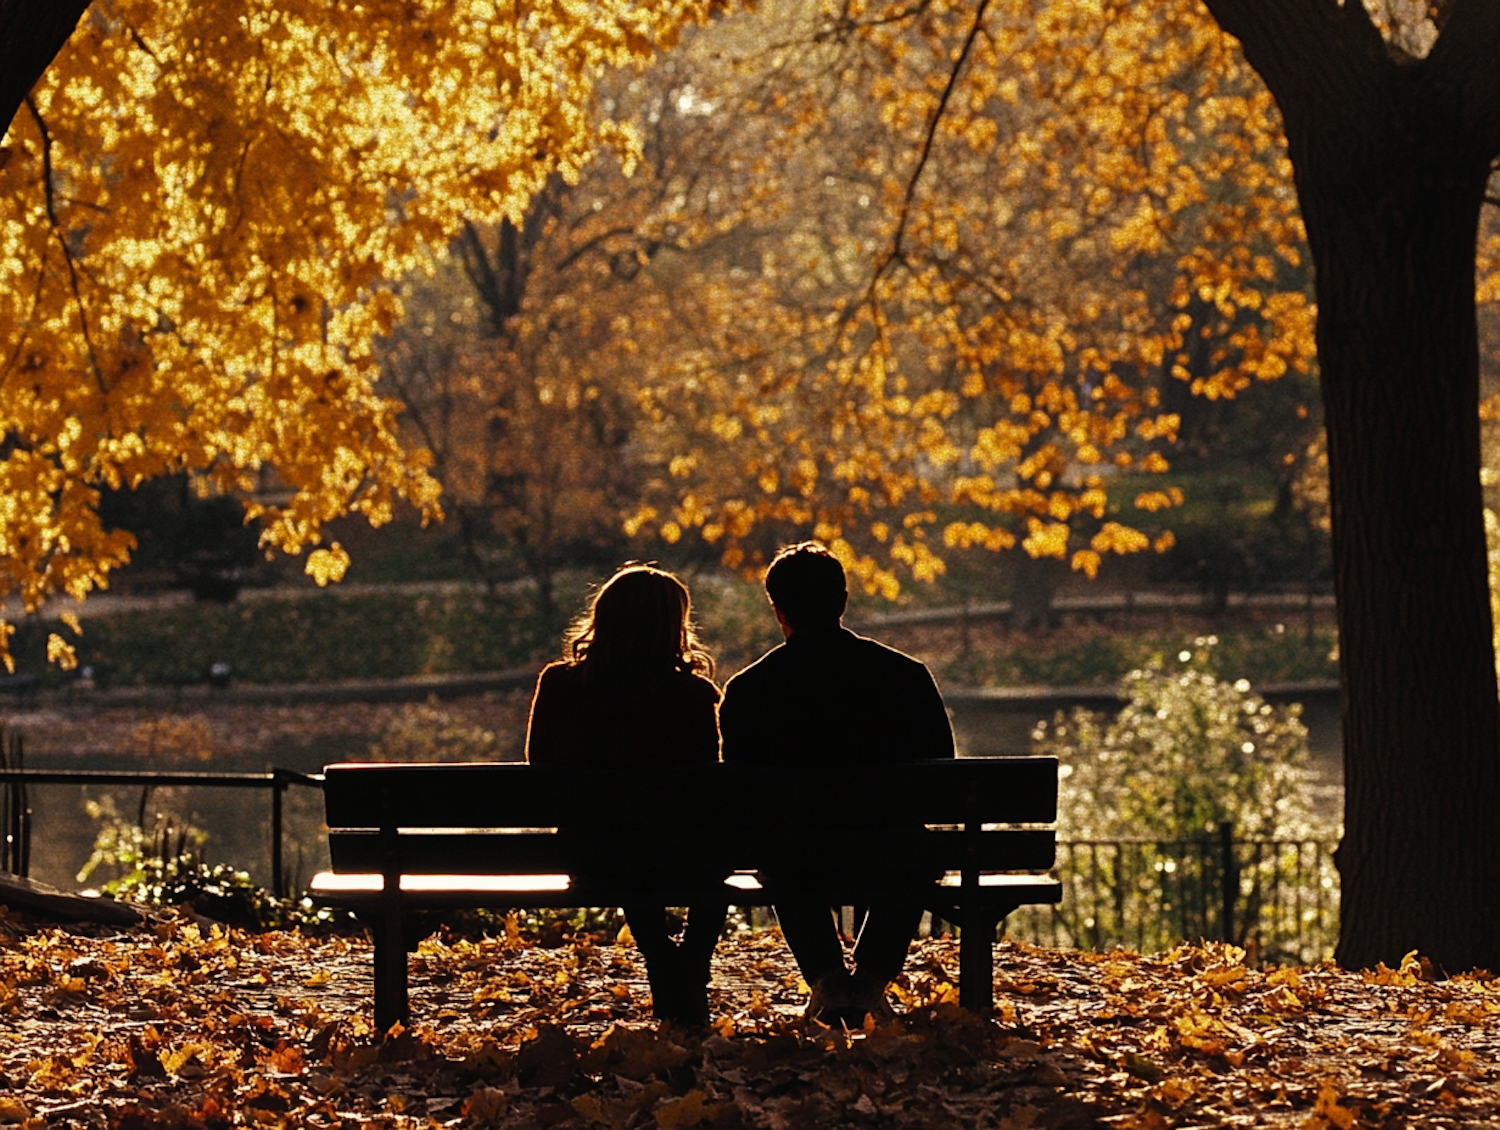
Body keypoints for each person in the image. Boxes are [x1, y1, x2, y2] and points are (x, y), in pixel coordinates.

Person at [719, 542, 955, 1025]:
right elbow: (942, 777)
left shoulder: (748, 689)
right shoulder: (906, 676)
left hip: (794, 854)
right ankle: (868, 980)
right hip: (891, 849)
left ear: (779, 610)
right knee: (914, 856)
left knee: (779, 854)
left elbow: (741, 796)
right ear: (843, 602)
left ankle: (828, 979)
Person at [524, 565, 727, 1025]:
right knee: (698, 856)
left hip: (589, 856)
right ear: (674, 627)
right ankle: (690, 963)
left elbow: (539, 771)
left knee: (623, 846)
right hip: (680, 855)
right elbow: (708, 788)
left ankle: (661, 957)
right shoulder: (693, 695)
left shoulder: (559, 684)